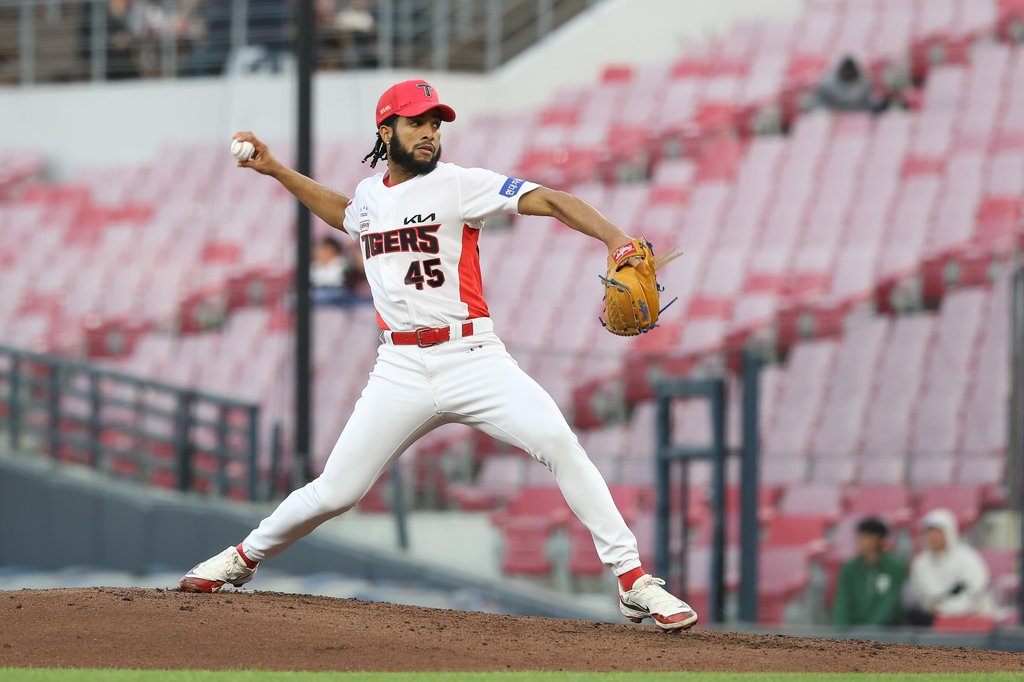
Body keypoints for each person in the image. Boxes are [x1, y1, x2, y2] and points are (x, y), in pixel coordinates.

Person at [179, 79, 697, 631]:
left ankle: (633, 581)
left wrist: (615, 237)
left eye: (435, 123)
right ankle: (241, 558)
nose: (430, 132)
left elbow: (548, 199)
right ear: (386, 130)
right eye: (416, 122)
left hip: (474, 356)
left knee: (557, 442)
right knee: (336, 491)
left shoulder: (458, 186)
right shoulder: (371, 197)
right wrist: (278, 170)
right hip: (399, 368)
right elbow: (345, 213)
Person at [907, 508, 995, 626]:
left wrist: (948, 609)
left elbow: (976, 592)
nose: (933, 537)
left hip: (972, 618)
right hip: (935, 620)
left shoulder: (967, 557)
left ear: (949, 532)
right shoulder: (920, 563)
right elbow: (923, 597)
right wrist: (936, 609)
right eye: (930, 532)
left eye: (938, 532)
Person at [831, 517, 907, 627]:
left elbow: (890, 600)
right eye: (859, 536)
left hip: (888, 629)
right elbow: (842, 601)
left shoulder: (895, 566)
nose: (860, 541)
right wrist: (841, 629)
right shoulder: (849, 568)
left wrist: (871, 629)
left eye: (866, 537)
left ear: (878, 539)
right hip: (854, 629)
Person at [814, 55, 886, 113]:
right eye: (846, 71)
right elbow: (821, 101)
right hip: (834, 114)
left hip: (860, 115)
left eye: (850, 72)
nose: (848, 73)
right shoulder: (827, 84)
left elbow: (870, 101)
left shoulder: (866, 82)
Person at [311, 235, 367, 307]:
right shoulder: (313, 267)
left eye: (324, 248)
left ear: (332, 250)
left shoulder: (346, 267)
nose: (319, 252)